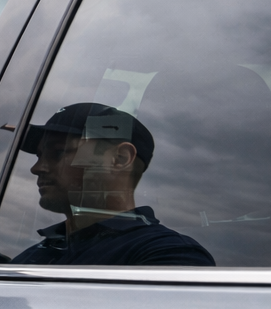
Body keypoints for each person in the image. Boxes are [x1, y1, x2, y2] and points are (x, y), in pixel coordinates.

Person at [12, 102, 214, 265]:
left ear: (120, 158)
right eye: (39, 155)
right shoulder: (41, 251)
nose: (37, 168)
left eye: (59, 152)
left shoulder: (167, 255)